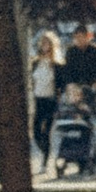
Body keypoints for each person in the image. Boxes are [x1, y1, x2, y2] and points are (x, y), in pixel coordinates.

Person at [31, 29, 62, 170]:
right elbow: (33, 80)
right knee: (36, 131)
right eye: (43, 43)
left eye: (47, 43)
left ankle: (45, 161)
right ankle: (45, 152)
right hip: (38, 99)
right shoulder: (36, 62)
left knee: (46, 132)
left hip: (50, 100)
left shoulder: (56, 65)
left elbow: (61, 83)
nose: (45, 46)